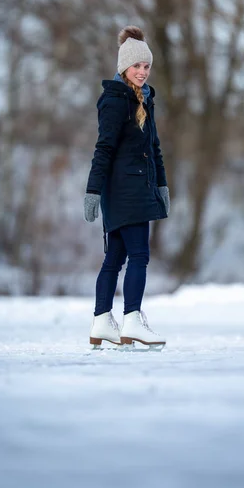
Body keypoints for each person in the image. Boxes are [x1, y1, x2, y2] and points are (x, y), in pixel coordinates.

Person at [84, 25, 170, 349]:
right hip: (124, 191)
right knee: (140, 256)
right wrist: (93, 191)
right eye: (137, 66)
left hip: (136, 189)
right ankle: (132, 319)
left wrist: (162, 186)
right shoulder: (114, 101)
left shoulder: (146, 100)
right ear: (124, 67)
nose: (143, 72)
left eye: (146, 66)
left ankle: (102, 321)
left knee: (116, 257)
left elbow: (155, 147)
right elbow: (103, 148)